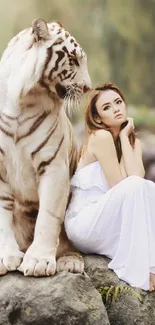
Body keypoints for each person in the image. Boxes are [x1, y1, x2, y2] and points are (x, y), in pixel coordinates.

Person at [65, 82, 155, 291]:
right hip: (84, 222)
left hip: (109, 219)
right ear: (97, 118)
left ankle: (149, 265)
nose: (116, 109)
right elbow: (120, 186)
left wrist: (125, 138)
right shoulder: (100, 137)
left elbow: (137, 180)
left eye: (118, 102)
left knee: (149, 189)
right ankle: (147, 269)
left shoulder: (133, 142)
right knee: (137, 186)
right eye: (107, 107)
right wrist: (122, 138)